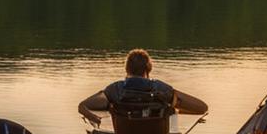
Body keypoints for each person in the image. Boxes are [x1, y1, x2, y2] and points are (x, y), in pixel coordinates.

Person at [77, 49, 208, 125]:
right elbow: (202, 108)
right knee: (172, 115)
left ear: (126, 69)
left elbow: (83, 106)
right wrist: (173, 109)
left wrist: (96, 119)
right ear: (148, 69)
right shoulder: (163, 90)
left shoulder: (114, 90)